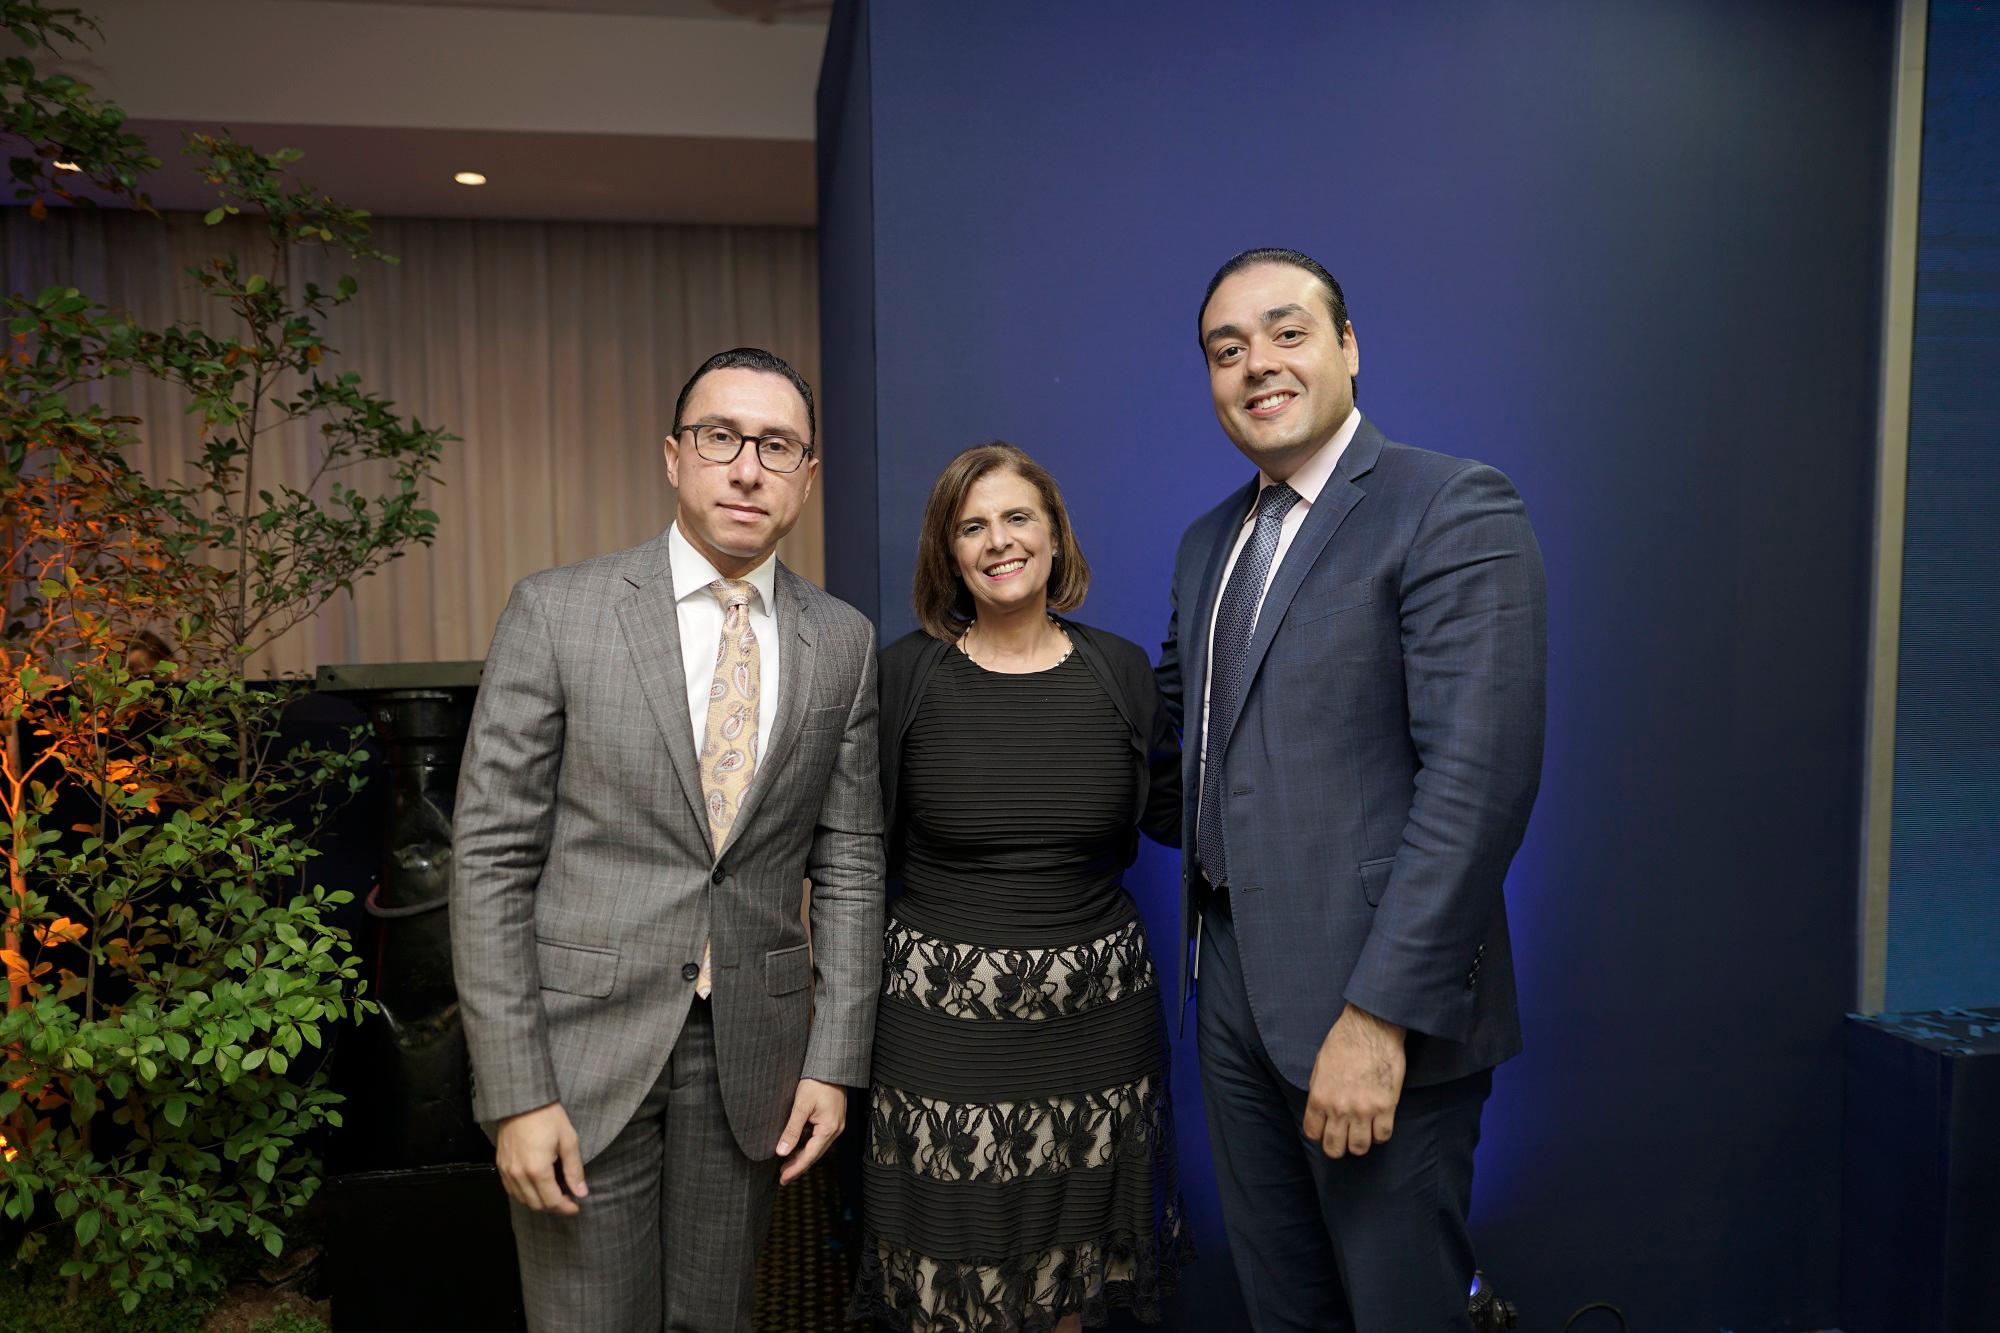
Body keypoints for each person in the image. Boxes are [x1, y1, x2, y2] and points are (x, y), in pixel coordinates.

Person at [450, 346, 885, 1332]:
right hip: (577, 1052)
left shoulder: (842, 642)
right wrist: (513, 1092)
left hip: (752, 1056)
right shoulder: (557, 612)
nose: (746, 467)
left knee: (716, 1318)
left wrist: (832, 1059)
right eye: (720, 437)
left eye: (776, 446)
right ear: (673, 456)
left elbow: (852, 862)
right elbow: (488, 862)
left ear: (806, 477)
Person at [1158, 249, 1546, 1331]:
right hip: (1230, 985)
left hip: (1376, 996)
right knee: (1283, 1310)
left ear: (1346, 348)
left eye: (1285, 333)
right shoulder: (1207, 545)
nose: (1255, 365)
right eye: (1225, 349)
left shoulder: (1447, 505)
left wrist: (1378, 1020)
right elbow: (1173, 756)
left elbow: (1477, 783)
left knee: (1397, 1313)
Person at [853, 443, 1189, 1332]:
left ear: (1052, 535)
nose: (998, 541)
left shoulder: (1120, 674)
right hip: (943, 1036)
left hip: (1096, 1031)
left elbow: (1176, 813)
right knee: (948, 1297)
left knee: (1069, 1285)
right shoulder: (902, 678)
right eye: (972, 526)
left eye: (1016, 518)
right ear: (948, 553)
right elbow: (852, 852)